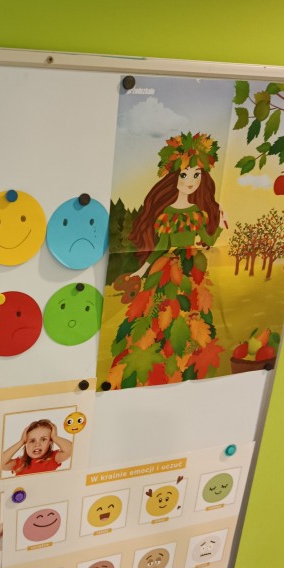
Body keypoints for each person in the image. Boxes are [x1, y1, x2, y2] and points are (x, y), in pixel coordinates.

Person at [108, 131, 226, 388]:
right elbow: (160, 246)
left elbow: (207, 239)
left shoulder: (198, 212)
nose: (190, 181)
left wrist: (220, 224)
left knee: (192, 312)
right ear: (174, 178)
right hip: (167, 268)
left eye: (196, 175)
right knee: (161, 308)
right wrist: (142, 270)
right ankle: (159, 359)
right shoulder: (167, 214)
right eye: (184, 175)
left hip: (192, 269)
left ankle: (186, 363)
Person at [1, 419, 73, 476]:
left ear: (50, 442)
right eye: (32, 441)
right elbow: (0, 464)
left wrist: (55, 437)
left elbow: (70, 449)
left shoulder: (53, 459)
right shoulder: (20, 463)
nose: (37, 444)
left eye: (43, 439)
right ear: (26, 444)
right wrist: (21, 441)